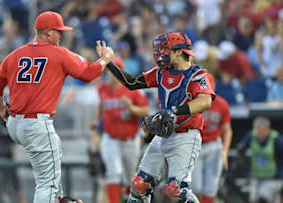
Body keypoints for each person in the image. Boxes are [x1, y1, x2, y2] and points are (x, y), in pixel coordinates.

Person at [0, 11, 114, 203]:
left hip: (15, 124)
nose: (61, 36)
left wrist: (1, 109)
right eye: (58, 31)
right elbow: (88, 75)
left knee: (52, 180)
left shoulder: (14, 55)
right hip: (36, 123)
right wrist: (105, 59)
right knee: (47, 184)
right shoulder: (59, 53)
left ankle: (58, 199)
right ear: (47, 32)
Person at [103, 32, 215, 203]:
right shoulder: (161, 72)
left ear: (179, 52)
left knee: (176, 190)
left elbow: (205, 101)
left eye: (165, 50)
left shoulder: (196, 74)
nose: (160, 54)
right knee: (139, 185)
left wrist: (174, 111)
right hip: (163, 136)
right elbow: (132, 83)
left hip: (186, 135)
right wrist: (108, 63)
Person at [91, 57, 150, 203]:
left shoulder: (133, 89)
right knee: (113, 173)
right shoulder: (102, 89)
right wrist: (97, 123)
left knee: (129, 177)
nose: (112, 74)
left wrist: (131, 108)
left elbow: (146, 111)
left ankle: (126, 197)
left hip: (130, 139)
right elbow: (102, 107)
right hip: (110, 138)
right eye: (110, 70)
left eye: (115, 69)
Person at [191, 73, 233, 203]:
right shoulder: (191, 103)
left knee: (210, 187)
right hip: (195, 145)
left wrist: (225, 151)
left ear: (213, 86)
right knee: (194, 187)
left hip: (214, 145)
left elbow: (227, 130)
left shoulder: (221, 104)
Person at [237, 117, 283, 203]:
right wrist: (240, 155)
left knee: (263, 199)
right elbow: (241, 148)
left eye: (262, 129)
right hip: (257, 176)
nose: (259, 132)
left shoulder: (276, 139)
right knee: (253, 199)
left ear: (267, 130)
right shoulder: (251, 136)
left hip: (274, 178)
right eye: (257, 129)